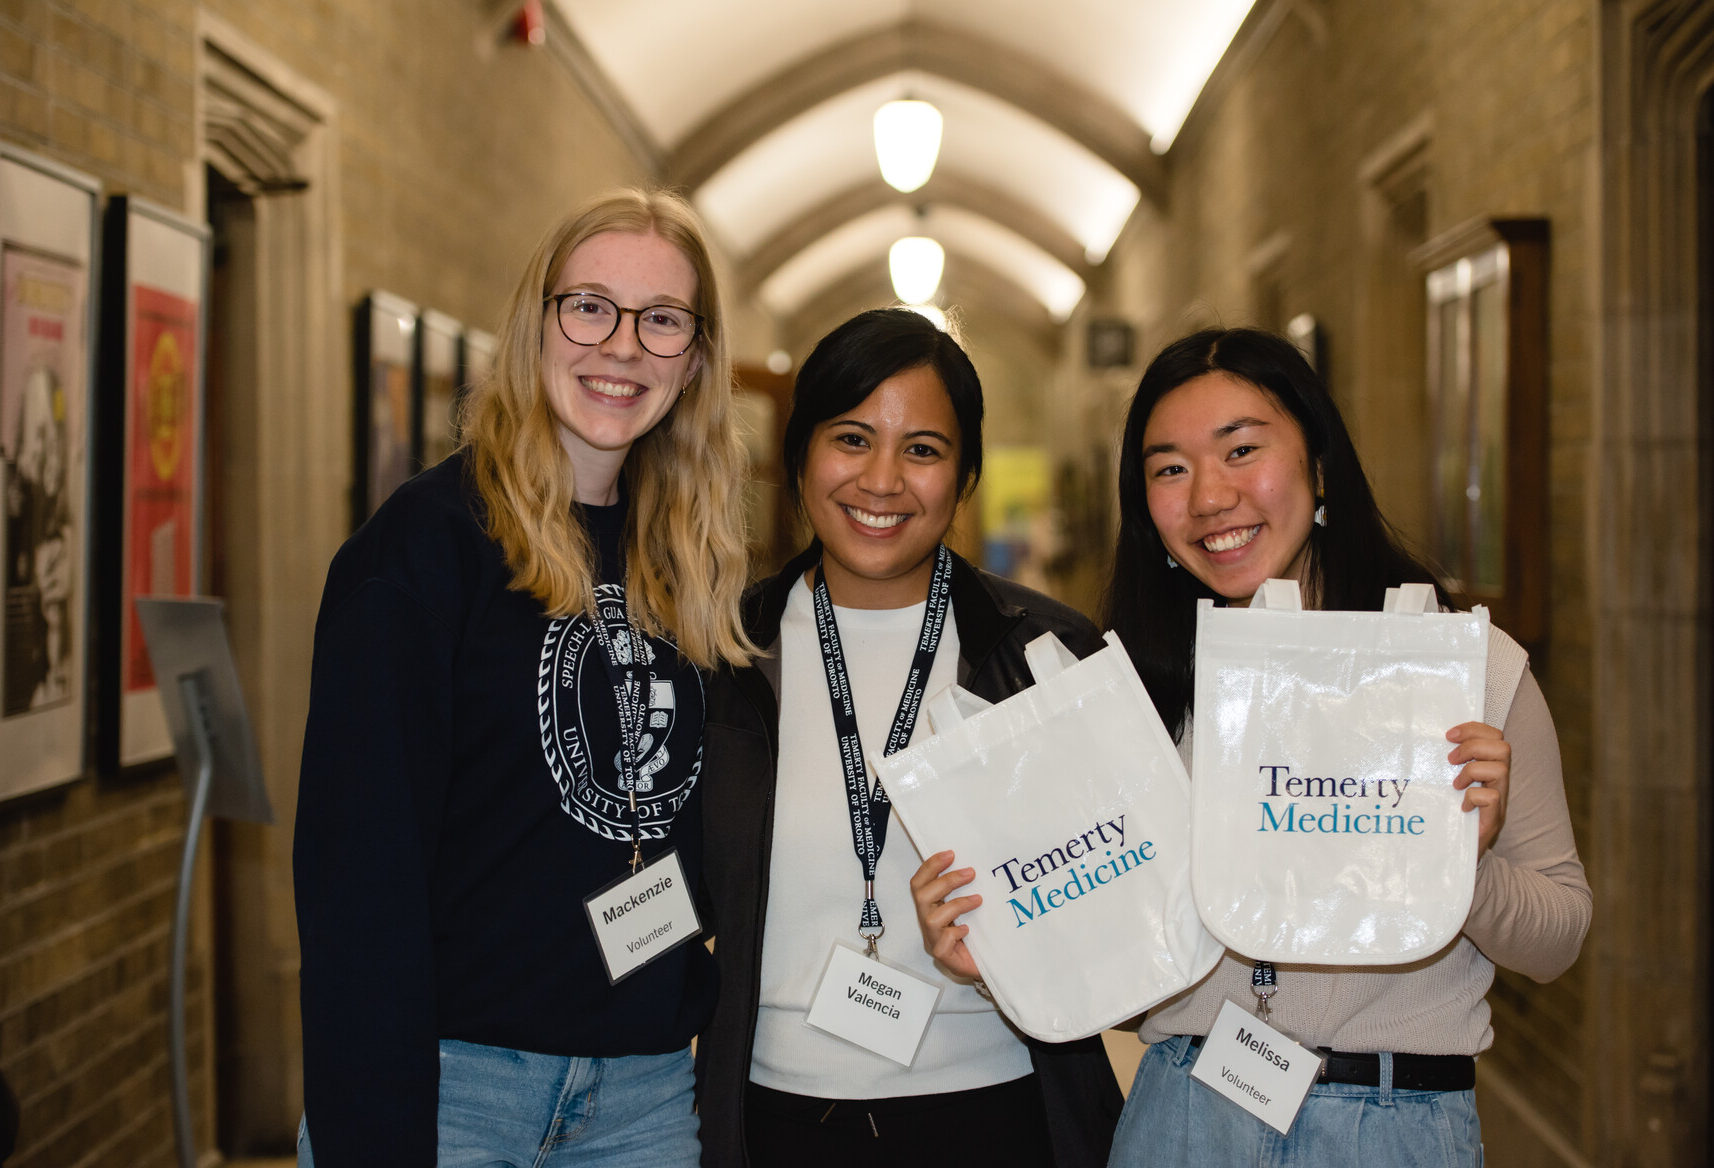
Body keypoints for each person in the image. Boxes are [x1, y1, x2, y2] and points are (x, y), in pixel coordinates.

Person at [293, 189, 753, 1168]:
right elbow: (358, 881)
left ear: (697, 356)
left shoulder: (689, 558)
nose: (622, 346)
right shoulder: (424, 549)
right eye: (588, 306)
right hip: (456, 1092)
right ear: (535, 322)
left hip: (641, 1095)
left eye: (661, 319)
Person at [1086, 328, 1588, 1165]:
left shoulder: (1461, 669)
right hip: (1184, 1111)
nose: (1209, 495)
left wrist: (1451, 859)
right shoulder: (1136, 694)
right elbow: (1121, 972)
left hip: (1392, 1125)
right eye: (1169, 467)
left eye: (1242, 449)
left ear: (1320, 468)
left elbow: (1560, 938)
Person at [695, 307, 1123, 1168]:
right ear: (798, 457)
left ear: (964, 478)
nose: (883, 480)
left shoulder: (1046, 656)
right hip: (773, 1120)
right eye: (852, 439)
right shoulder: (721, 653)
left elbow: (1121, 908)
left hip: (994, 1114)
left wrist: (1011, 951)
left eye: (923, 450)